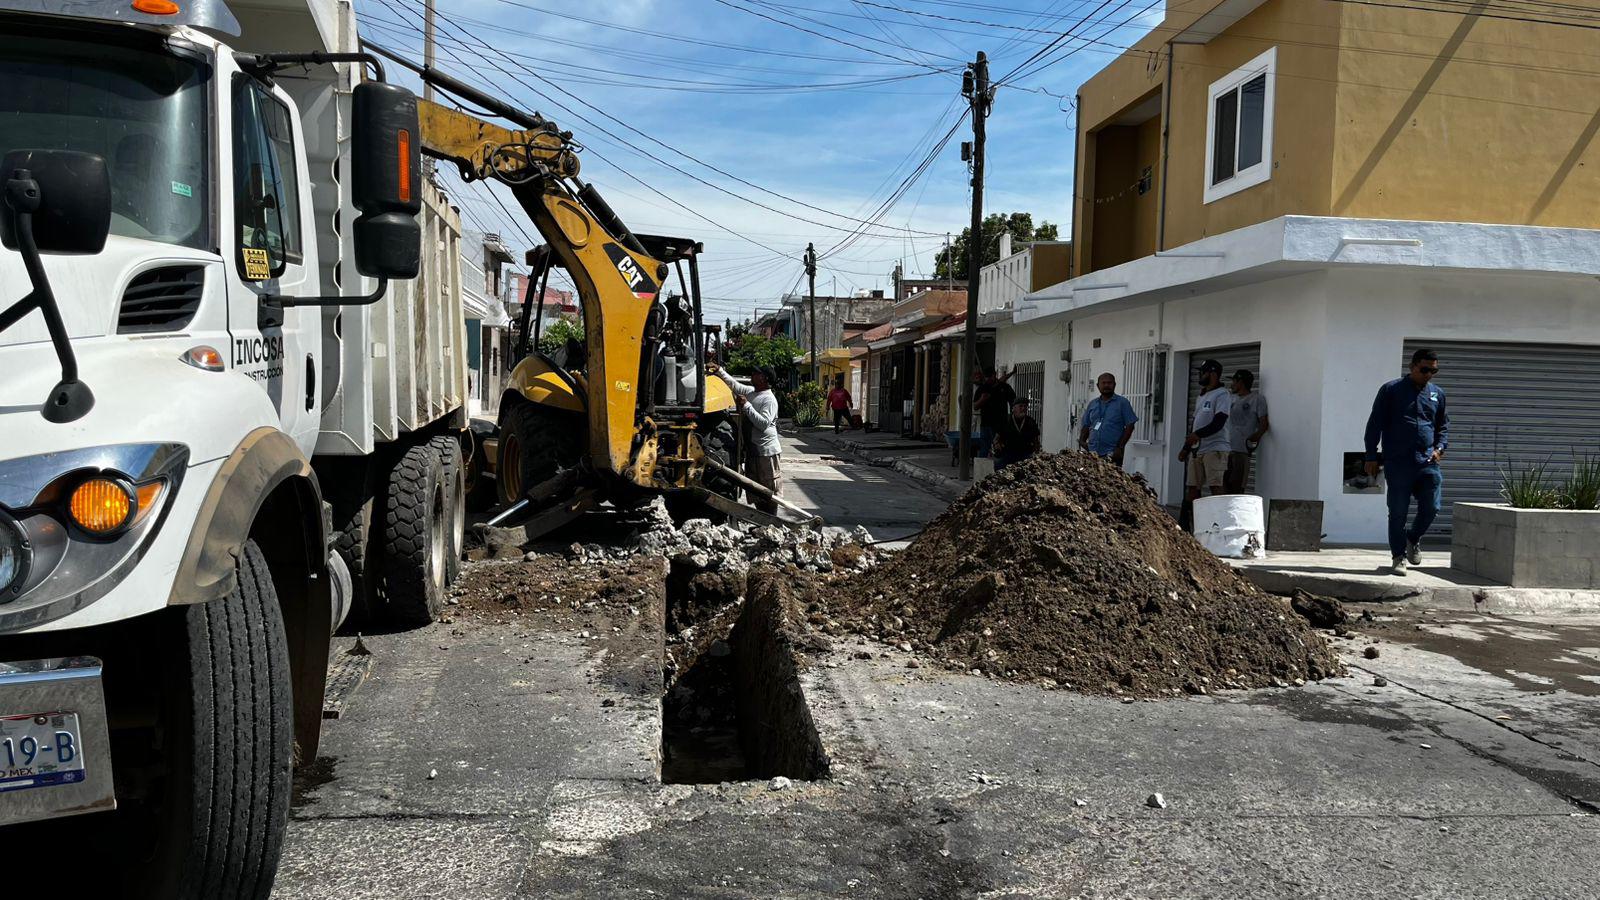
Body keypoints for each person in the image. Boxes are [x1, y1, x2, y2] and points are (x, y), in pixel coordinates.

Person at [1364, 348, 1449, 576]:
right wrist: (1371, 455)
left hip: (1427, 463)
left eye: (1434, 371)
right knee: (1398, 512)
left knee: (1432, 507)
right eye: (1424, 370)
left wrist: (1440, 448)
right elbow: (1375, 424)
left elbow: (1442, 427)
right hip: (1398, 462)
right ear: (1412, 367)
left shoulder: (1437, 394)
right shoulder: (1391, 390)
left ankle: (1413, 538)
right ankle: (1398, 556)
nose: (1429, 375)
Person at [714, 363, 783, 514]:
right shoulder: (752, 392)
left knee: (769, 489)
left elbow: (763, 424)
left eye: (756, 373)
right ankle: (762, 521)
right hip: (753, 451)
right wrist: (719, 370)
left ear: (764, 378)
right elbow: (735, 385)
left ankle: (771, 521)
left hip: (766, 453)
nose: (752, 375)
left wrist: (746, 406)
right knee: (756, 490)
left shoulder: (769, 399)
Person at [1179, 359, 1232, 506]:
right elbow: (1195, 424)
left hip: (1215, 449)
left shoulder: (1222, 394)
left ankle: (1219, 521)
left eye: (1203, 372)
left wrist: (1198, 435)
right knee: (1192, 486)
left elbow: (1219, 422)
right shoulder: (1201, 396)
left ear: (1213, 374)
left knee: (1216, 486)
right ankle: (1190, 522)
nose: (1200, 376)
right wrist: (1186, 448)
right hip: (1197, 450)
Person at [1224, 369, 1271, 493]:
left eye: (1234, 381)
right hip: (1226, 450)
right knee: (1223, 488)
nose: (1232, 385)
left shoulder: (1256, 399)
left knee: (1236, 488)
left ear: (1241, 382)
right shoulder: (1231, 399)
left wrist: (1256, 436)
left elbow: (1264, 423)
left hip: (1241, 451)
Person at [1077, 372, 1138, 467]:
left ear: (1114, 385)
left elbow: (1130, 425)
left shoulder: (1122, 403)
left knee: (1111, 480)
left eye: (1109, 383)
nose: (1106, 385)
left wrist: (1120, 447)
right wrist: (1082, 442)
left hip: (1112, 453)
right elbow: (1086, 424)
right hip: (1092, 453)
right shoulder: (1093, 404)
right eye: (1103, 383)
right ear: (1098, 385)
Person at [972, 366, 1016, 458]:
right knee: (984, 449)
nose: (987, 379)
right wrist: (982, 399)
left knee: (1000, 449)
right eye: (986, 377)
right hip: (986, 425)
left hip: (1000, 425)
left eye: (989, 376)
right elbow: (975, 406)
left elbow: (1013, 402)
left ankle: (1000, 469)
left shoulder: (1004, 387)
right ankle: (981, 470)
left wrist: (1012, 417)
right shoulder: (982, 388)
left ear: (994, 375)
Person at [994, 398, 1041, 469]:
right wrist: (997, 446)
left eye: (1025, 406)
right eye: (1021, 406)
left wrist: (1036, 453)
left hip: (1025, 453)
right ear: (1013, 409)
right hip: (1008, 452)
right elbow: (996, 439)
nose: (1023, 408)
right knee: (999, 463)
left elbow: (1036, 441)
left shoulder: (1030, 422)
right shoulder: (1005, 420)